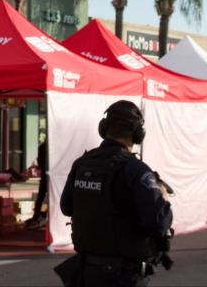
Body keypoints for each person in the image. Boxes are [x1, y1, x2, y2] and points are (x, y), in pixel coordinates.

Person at [57, 100, 173, 287]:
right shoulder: (137, 170)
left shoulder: (82, 163)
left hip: (87, 272)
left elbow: (66, 207)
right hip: (123, 275)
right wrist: (164, 200)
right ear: (138, 134)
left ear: (104, 128)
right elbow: (158, 224)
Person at [26, 138, 49, 229]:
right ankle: (42, 215)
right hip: (50, 175)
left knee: (40, 196)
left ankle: (37, 216)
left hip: (44, 175)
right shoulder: (52, 147)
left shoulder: (42, 147)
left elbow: (40, 162)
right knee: (49, 197)